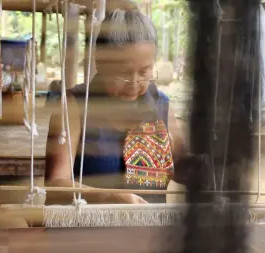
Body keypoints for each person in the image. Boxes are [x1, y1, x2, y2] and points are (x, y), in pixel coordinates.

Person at [45, 9, 189, 204]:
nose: (134, 82)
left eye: (144, 71)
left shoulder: (160, 106)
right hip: (88, 229)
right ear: (100, 63)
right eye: (123, 73)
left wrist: (179, 161)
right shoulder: (75, 106)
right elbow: (55, 184)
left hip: (148, 229)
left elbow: (184, 172)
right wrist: (111, 198)